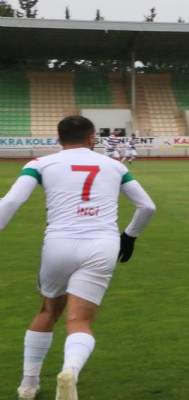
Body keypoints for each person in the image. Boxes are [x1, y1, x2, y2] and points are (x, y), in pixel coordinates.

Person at [0, 116, 156, 400]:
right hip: (102, 245)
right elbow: (147, 206)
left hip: (58, 243)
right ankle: (70, 370)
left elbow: (10, 201)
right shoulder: (115, 165)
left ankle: (28, 384)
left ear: (58, 139)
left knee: (48, 312)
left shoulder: (40, 164)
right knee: (79, 322)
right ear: (91, 138)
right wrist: (130, 236)